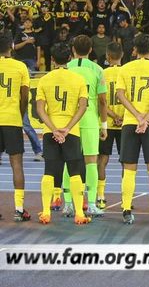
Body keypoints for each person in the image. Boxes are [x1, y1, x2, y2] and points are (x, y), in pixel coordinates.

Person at [116, 34, 149, 225]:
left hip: (130, 122)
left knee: (129, 169)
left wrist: (137, 116)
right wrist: (146, 118)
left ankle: (126, 210)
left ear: (135, 49)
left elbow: (120, 95)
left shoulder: (125, 68)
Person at [36, 43, 90, 225]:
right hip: (71, 132)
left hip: (50, 132)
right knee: (75, 172)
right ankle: (79, 215)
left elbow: (40, 109)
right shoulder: (78, 79)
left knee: (49, 171)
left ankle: (45, 213)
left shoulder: (44, 79)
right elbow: (83, 106)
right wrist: (67, 128)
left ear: (52, 60)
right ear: (69, 59)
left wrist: (53, 129)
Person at [63, 35, 108, 218]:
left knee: (69, 161)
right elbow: (103, 100)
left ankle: (68, 204)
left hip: (69, 120)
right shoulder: (97, 69)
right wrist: (103, 125)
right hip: (89, 119)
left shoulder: (66, 68)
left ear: (73, 49)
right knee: (91, 162)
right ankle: (90, 204)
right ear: (91, 50)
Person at [0, 35, 31, 221]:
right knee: (16, 164)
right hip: (12, 119)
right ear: (12, 46)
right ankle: (19, 209)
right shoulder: (20, 67)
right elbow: (25, 97)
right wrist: (19, 114)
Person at [96, 42, 124, 209]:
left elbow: (102, 100)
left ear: (107, 56)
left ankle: (100, 196)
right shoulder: (127, 73)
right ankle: (125, 199)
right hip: (125, 123)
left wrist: (112, 116)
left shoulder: (102, 73)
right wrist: (122, 116)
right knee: (126, 162)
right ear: (122, 56)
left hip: (106, 123)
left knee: (102, 160)